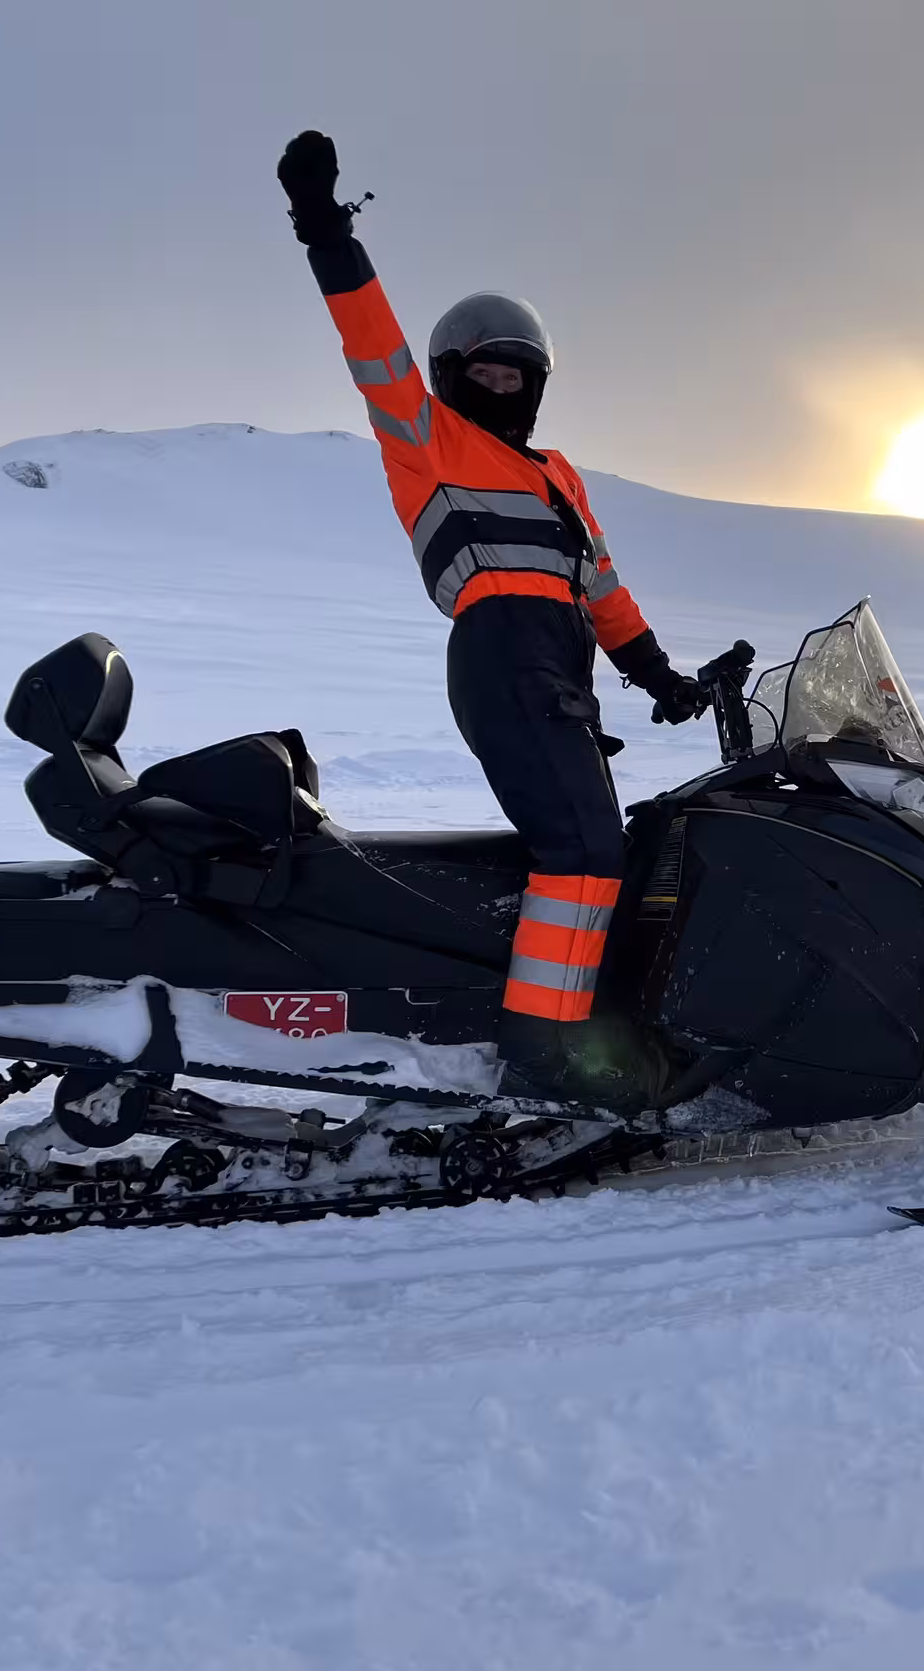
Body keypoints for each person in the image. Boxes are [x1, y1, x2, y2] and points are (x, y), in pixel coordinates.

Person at [277, 130, 703, 1106]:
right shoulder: (426, 438)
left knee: (612, 853)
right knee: (584, 852)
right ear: (453, 378)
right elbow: (372, 347)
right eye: (487, 375)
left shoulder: (557, 479)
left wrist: (660, 677)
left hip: (560, 669)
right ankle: (542, 1050)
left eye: (520, 378)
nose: (504, 390)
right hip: (499, 651)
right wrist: (322, 229)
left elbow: (600, 588)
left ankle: (584, 1010)